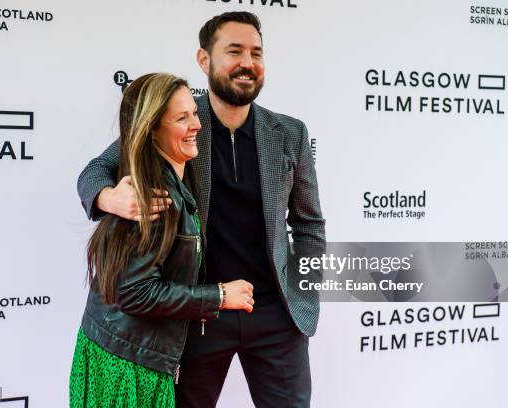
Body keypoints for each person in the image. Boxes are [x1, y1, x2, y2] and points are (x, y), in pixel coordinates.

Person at [77, 12, 325, 408]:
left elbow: (309, 224)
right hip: (199, 314)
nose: (248, 62)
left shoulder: (290, 133)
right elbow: (96, 171)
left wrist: (302, 295)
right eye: (234, 51)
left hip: (277, 316)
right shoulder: (179, 118)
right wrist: (108, 198)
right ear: (204, 60)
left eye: (257, 52)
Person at [70, 73, 255, 408]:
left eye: (194, 114)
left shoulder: (182, 157)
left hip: (146, 349)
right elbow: (136, 292)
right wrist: (109, 198)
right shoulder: (153, 199)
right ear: (151, 129)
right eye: (182, 117)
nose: (195, 123)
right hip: (130, 361)